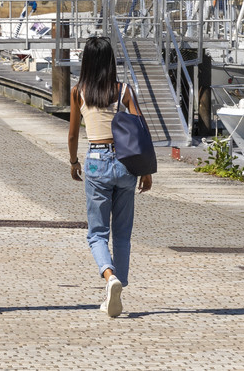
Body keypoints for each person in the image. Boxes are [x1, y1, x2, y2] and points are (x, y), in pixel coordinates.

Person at [68, 35, 151, 318]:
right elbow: (139, 129)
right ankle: (118, 287)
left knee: (97, 233)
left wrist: (73, 161)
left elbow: (72, 134)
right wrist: (147, 170)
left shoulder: (78, 91)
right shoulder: (124, 90)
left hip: (95, 161)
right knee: (123, 234)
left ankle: (109, 278)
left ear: (87, 62)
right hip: (125, 163)